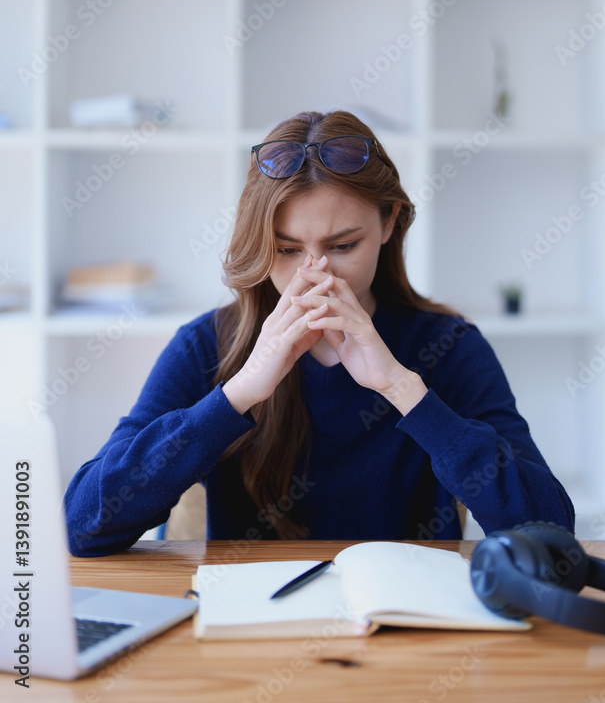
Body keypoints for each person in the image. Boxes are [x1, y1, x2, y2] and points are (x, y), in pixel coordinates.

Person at [64, 109, 575, 556]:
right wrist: (240, 392)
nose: (316, 276)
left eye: (344, 245)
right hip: (249, 631)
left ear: (390, 223)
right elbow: (83, 525)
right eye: (286, 250)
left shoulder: (449, 346)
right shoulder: (206, 345)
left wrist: (400, 387)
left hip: (408, 632)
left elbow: (549, 531)